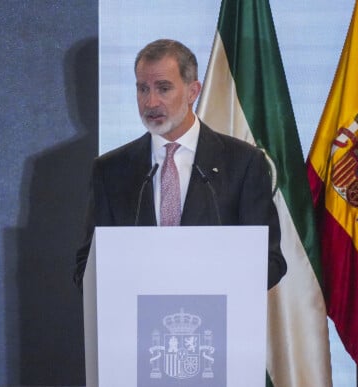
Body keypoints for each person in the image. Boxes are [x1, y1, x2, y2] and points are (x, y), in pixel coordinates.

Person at [74, 39, 286, 290]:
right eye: (143, 89)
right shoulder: (110, 171)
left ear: (192, 92)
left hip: (215, 320)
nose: (150, 102)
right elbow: (87, 268)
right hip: (137, 323)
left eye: (163, 88)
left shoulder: (243, 163)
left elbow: (270, 262)